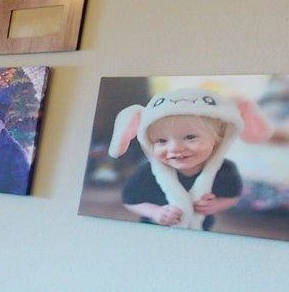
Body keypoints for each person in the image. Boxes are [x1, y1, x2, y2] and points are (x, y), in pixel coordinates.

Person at [110, 86, 269, 231]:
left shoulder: (225, 170)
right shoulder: (147, 172)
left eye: (190, 137)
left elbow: (232, 197)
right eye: (162, 141)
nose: (174, 148)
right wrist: (155, 212)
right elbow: (130, 200)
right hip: (153, 231)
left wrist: (215, 205)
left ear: (218, 139)